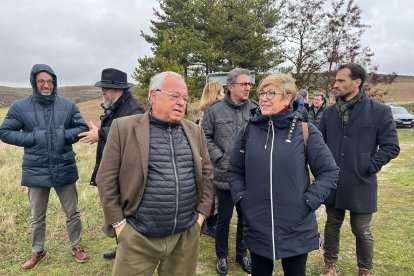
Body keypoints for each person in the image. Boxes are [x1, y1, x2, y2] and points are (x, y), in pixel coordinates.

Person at [96, 71, 214, 276]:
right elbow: (106, 178)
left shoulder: (195, 131)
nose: (181, 103)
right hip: (138, 237)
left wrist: (201, 216)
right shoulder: (124, 128)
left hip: (185, 236)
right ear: (154, 94)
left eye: (185, 98)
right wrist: (119, 225)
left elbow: (207, 174)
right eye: (174, 95)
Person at [227, 73, 339, 276]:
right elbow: (234, 170)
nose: (264, 98)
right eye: (262, 93)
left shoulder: (305, 131)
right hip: (257, 224)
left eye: (271, 93)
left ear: (288, 98)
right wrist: (242, 199)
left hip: (296, 226)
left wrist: (308, 201)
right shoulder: (248, 131)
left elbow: (329, 171)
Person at [0, 64, 89, 270]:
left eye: (50, 81)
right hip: (36, 169)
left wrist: (63, 135)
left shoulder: (67, 105)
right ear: (34, 82)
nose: (46, 85)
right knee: (36, 216)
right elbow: (4, 131)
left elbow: (81, 127)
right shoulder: (20, 107)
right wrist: (33, 137)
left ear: (54, 82)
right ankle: (37, 251)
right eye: (41, 81)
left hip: (64, 165)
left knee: (72, 212)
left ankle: (77, 246)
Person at [319, 63, 400, 276]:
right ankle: (330, 266)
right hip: (334, 182)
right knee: (332, 225)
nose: (335, 84)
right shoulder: (329, 113)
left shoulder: (379, 111)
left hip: (361, 181)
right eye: (335, 80)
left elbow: (391, 146)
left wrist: (370, 165)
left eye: (341, 80)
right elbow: (319, 143)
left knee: (362, 231)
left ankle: (365, 269)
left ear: (357, 82)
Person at [78, 68, 144, 259]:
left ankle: (131, 250)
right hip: (116, 166)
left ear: (120, 89)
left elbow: (130, 134)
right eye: (102, 87)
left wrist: (100, 133)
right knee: (116, 209)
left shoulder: (133, 108)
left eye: (106, 88)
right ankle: (123, 247)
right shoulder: (116, 105)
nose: (102, 91)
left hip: (127, 170)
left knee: (126, 210)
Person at [201, 68, 257, 275]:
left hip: (248, 176)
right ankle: (221, 256)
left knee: (245, 218)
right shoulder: (214, 110)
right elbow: (204, 136)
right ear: (230, 87)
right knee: (224, 220)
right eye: (243, 84)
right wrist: (219, 157)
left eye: (249, 84)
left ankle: (242, 254)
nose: (248, 87)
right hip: (224, 176)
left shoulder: (255, 109)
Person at [197, 81, 224, 238]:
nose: (223, 95)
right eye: (221, 92)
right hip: (210, 158)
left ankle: (213, 221)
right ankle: (210, 223)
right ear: (214, 94)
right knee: (211, 191)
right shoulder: (209, 112)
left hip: (214, 157)